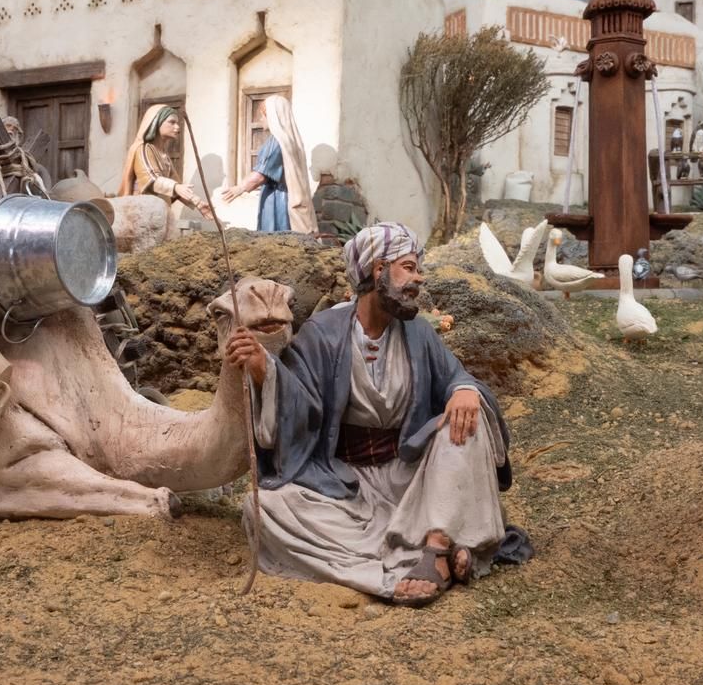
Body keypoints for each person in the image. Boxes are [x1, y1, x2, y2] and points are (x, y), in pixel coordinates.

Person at [224, 222, 511, 606]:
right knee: (267, 508)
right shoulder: (323, 333)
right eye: (409, 267)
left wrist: (463, 389)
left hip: (411, 476)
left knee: (467, 421)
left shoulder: (419, 333)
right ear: (378, 271)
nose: (418, 279)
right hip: (347, 482)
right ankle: (422, 550)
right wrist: (264, 369)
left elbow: (455, 377)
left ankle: (437, 547)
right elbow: (300, 407)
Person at [218, 96, 318, 233]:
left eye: (263, 116)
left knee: (276, 239)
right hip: (285, 196)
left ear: (272, 116)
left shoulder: (277, 142)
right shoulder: (291, 141)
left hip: (278, 201)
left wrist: (239, 188)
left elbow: (261, 175)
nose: (261, 120)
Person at [118, 104, 214, 222]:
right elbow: (152, 179)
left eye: (177, 123)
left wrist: (198, 202)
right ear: (156, 122)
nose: (177, 127)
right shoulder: (143, 149)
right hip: (142, 214)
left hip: (160, 214)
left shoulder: (164, 156)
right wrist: (176, 187)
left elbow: (177, 188)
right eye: (172, 122)